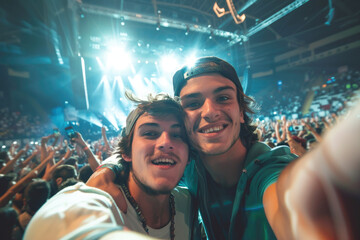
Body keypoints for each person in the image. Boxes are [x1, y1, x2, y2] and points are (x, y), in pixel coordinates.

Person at [89, 56, 360, 240]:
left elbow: (288, 201)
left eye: (223, 98)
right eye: (193, 103)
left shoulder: (269, 170)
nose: (210, 112)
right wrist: (110, 166)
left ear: (241, 111)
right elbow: (141, 152)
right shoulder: (188, 165)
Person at [24, 93, 193, 240]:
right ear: (126, 153)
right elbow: (51, 226)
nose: (166, 143)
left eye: (177, 135)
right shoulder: (102, 199)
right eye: (150, 133)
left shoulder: (189, 202)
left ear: (188, 156)